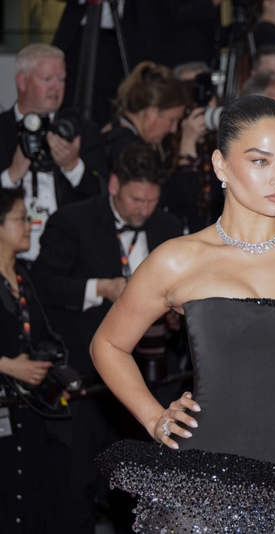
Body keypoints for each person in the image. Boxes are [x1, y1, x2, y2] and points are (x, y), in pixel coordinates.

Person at [89, 95, 275, 532]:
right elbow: (108, 343)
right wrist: (154, 418)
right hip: (195, 486)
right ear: (220, 165)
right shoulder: (179, 259)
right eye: (261, 161)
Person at [32, 143, 183, 532]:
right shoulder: (73, 222)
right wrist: (101, 288)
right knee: (78, 485)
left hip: (151, 380)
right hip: (88, 378)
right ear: (114, 184)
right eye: (136, 199)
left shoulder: (167, 228)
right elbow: (43, 288)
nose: (143, 210)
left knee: (142, 488)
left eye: (151, 201)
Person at [0, 187, 70, 534]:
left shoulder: (24, 276)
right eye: (20, 219)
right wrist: (7, 365)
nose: (29, 225)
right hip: (5, 404)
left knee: (34, 494)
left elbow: (42, 332)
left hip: (30, 411)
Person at [0, 44, 106, 262]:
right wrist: (10, 176)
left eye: (62, 80)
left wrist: (73, 166)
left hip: (66, 258)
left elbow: (105, 196)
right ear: (22, 82)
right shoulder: (2, 130)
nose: (56, 88)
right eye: (47, 79)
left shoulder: (83, 131)